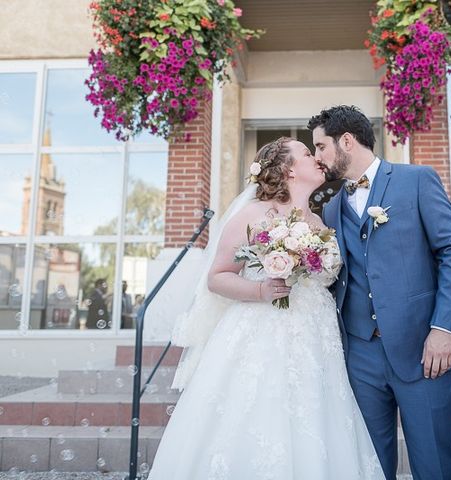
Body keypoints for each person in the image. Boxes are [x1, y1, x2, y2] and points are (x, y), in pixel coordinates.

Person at [148, 138, 384, 479]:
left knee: (317, 422)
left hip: (318, 339)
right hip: (263, 334)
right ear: (289, 169)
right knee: (261, 416)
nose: (317, 157)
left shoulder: (321, 222)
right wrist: (261, 289)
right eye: (307, 153)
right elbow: (217, 277)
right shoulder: (253, 214)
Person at [310, 105, 451, 480]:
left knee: (434, 463)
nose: (317, 157)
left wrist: (444, 329)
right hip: (359, 354)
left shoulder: (416, 180)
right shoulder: (331, 209)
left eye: (320, 146)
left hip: (423, 347)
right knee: (368, 465)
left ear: (346, 141)